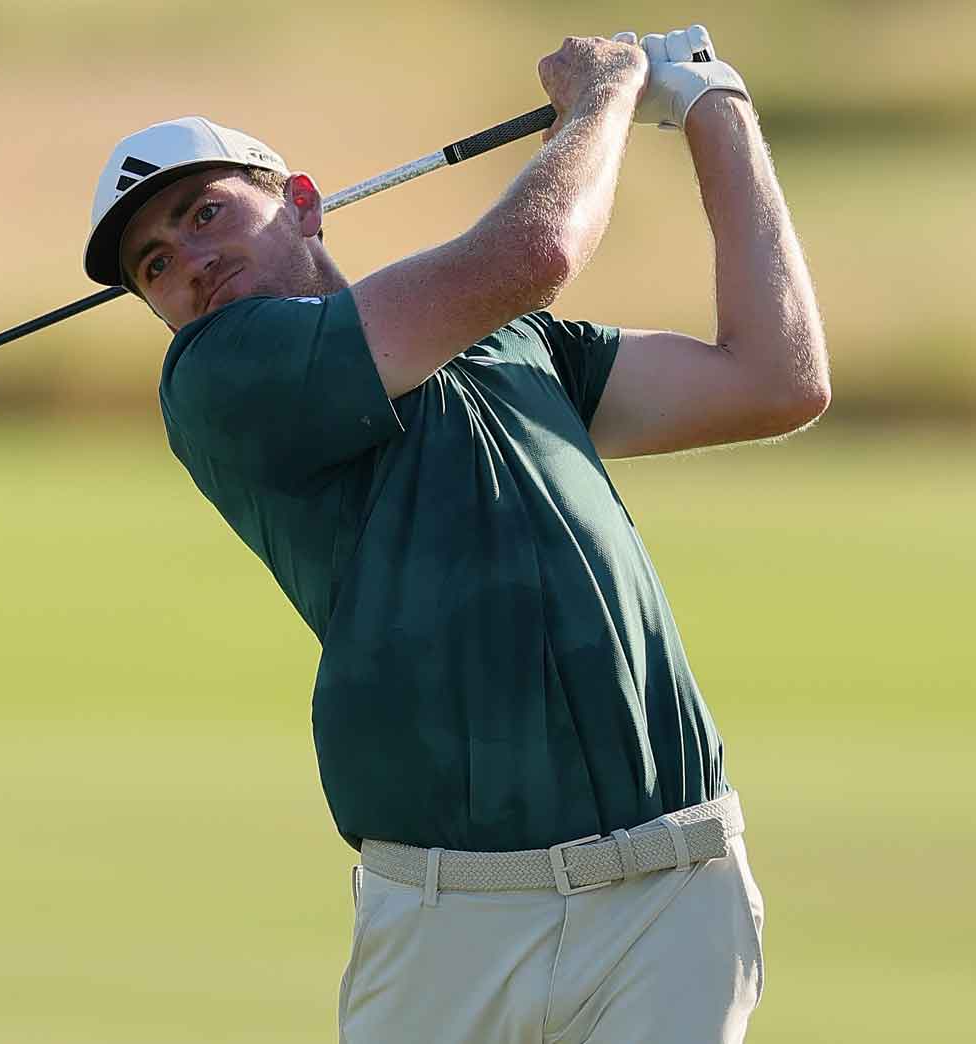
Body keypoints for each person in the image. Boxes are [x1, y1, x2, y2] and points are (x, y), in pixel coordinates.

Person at [82, 24, 826, 1044]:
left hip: (672, 895)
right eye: (155, 266)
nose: (192, 265)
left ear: (302, 203)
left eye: (206, 213)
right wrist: (605, 93)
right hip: (451, 924)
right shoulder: (221, 377)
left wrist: (712, 106)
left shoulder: (512, 346)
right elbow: (536, 251)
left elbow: (775, 379)